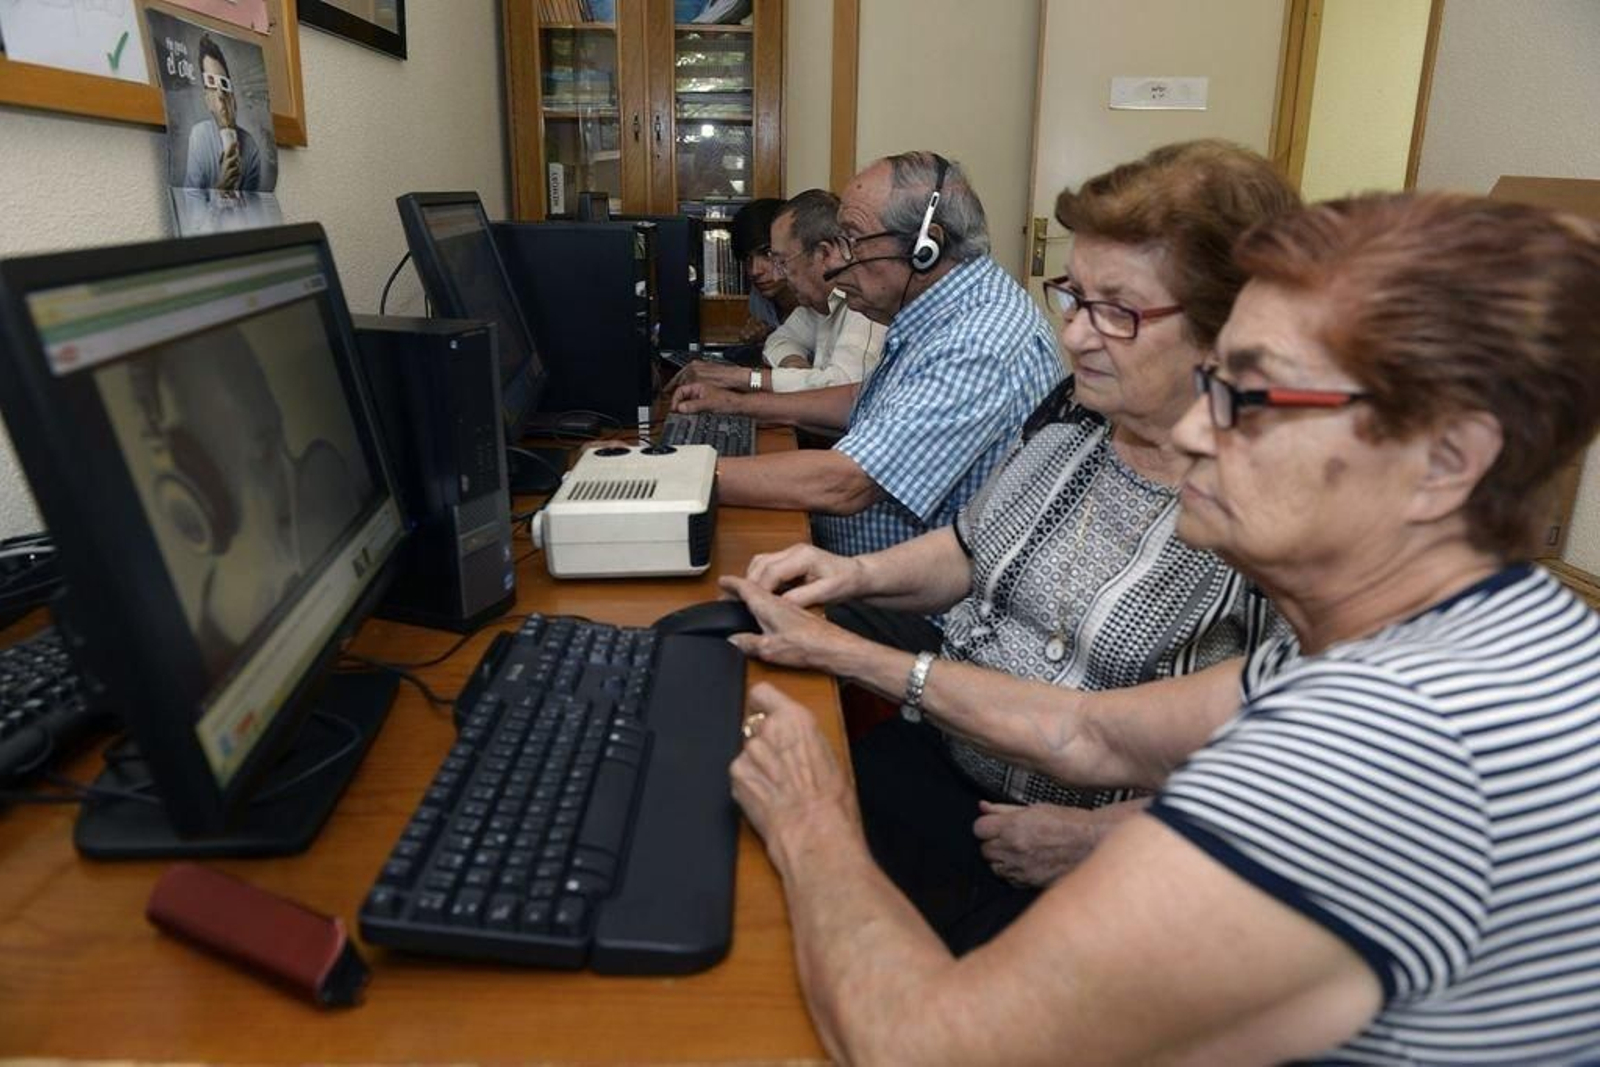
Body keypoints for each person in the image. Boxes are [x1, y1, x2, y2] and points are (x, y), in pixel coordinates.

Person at [730, 191, 1600, 1064]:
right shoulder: (1454, 633)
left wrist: (812, 813)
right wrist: (843, 655)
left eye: (1250, 397)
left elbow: (924, 1047)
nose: (1192, 429)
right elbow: (1089, 733)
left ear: (1446, 461)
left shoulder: (1399, 735)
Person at [720, 141, 1298, 949]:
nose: (1075, 335)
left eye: (1116, 311)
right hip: (951, 751)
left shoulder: (1280, 508)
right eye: (1074, 298)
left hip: (1053, 843)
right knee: (722, 773)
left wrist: (1098, 838)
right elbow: (969, 547)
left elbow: (1291, 775)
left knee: (770, 914)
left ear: (1225, 328)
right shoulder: (1078, 416)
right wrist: (848, 574)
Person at [675, 151, 1062, 557]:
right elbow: (862, 400)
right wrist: (740, 405)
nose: (837, 263)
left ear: (925, 248)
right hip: (857, 563)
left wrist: (677, 475)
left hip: (900, 588)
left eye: (852, 241)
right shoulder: (944, 309)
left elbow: (846, 483)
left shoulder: (979, 342)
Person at [667, 190, 884, 394]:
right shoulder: (820, 302)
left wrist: (741, 378)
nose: (779, 275)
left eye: (782, 262)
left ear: (824, 254)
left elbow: (840, 393)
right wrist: (795, 368)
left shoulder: (866, 304)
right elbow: (780, 340)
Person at [182, 34, 264, 193]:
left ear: (233, 96)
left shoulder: (250, 146)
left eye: (224, 84)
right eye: (211, 83)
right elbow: (191, 204)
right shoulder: (199, 137)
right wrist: (221, 189)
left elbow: (252, 205)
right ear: (207, 99)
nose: (220, 94)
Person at [727, 197, 795, 345]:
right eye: (747, 258)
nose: (754, 271)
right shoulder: (758, 298)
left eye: (767, 253)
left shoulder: (821, 298)